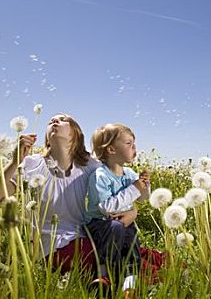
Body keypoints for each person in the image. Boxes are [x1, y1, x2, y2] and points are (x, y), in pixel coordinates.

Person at [0, 113, 138, 277]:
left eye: (63, 120)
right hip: (48, 244)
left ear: (76, 135)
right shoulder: (31, 164)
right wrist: (15, 162)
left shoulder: (90, 165)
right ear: (47, 139)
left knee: (125, 252)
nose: (54, 121)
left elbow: (117, 189)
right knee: (117, 259)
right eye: (51, 121)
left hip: (86, 235)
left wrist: (133, 211)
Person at [85, 123, 150, 294]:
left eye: (134, 143)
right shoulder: (100, 176)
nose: (134, 147)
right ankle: (105, 275)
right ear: (112, 150)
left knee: (132, 243)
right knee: (115, 229)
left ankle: (130, 285)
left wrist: (144, 186)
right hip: (100, 224)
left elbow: (143, 199)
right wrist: (134, 188)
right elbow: (106, 208)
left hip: (126, 223)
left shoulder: (131, 174)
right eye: (128, 143)